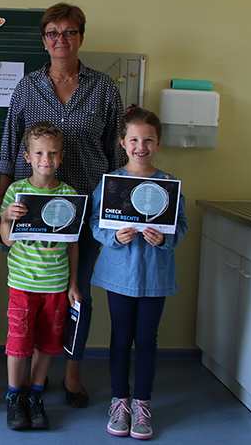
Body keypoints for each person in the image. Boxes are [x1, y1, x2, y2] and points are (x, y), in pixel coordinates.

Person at [0, 2, 124, 408]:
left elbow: (117, 157)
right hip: (30, 212)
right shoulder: (26, 86)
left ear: (81, 37)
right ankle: (29, 383)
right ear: (44, 39)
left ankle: (71, 374)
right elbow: (8, 151)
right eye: (52, 32)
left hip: (84, 208)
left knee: (75, 293)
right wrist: (3, 211)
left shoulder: (104, 87)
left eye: (69, 32)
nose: (61, 40)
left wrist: (114, 212)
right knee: (32, 294)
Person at [90, 107, 187, 440]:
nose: (140, 146)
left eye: (148, 139)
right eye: (133, 139)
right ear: (122, 142)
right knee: (120, 339)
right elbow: (94, 223)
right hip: (120, 274)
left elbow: (181, 225)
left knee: (146, 341)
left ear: (158, 143)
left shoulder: (169, 185)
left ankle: (142, 404)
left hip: (154, 276)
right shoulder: (110, 184)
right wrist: (113, 237)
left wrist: (166, 238)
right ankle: (120, 402)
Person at [0, 121, 80, 431]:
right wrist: (7, 216)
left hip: (57, 286)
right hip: (22, 285)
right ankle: (13, 396)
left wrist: (73, 284)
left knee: (48, 343)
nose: (47, 159)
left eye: (53, 153)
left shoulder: (69, 194)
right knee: (18, 344)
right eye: (40, 153)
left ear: (61, 157)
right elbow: (6, 239)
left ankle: (35, 395)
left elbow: (72, 245)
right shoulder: (17, 191)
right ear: (27, 157)